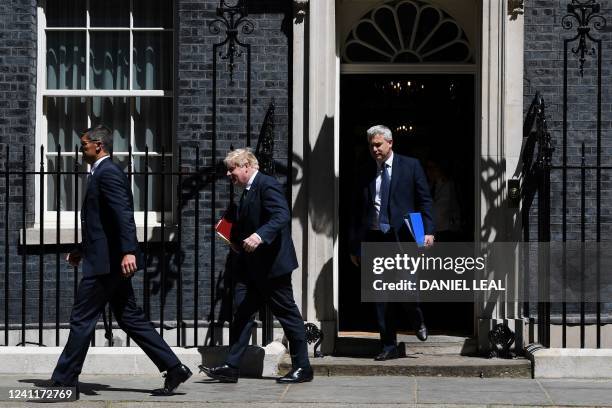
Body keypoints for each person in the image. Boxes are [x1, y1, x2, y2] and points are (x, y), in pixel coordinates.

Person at [49, 125, 192, 397]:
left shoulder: (108, 173)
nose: (82, 149)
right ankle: (173, 367)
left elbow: (124, 215)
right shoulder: (100, 173)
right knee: (130, 318)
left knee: (82, 319)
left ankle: (64, 381)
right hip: (107, 259)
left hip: (108, 264)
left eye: (84, 144)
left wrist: (129, 251)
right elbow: (102, 223)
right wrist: (82, 249)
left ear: (98, 145)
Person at [200, 148, 312, 384]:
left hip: (272, 267)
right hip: (252, 268)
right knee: (241, 315)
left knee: (288, 316)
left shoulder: (266, 184)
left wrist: (259, 236)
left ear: (247, 166)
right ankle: (232, 366)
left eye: (232, 169)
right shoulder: (248, 190)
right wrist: (232, 236)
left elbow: (281, 215)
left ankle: (303, 367)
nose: (229, 175)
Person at [350, 125, 435, 361]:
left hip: (404, 238)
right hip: (375, 237)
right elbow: (357, 210)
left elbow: (424, 201)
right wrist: (354, 245)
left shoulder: (411, 165)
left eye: (378, 144)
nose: (374, 149)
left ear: (390, 143)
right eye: (371, 145)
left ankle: (417, 319)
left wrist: (427, 231)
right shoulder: (364, 169)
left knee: (407, 288)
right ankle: (388, 345)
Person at [425, 158, 462, 242]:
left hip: (445, 231)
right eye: (428, 168)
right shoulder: (427, 186)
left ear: (439, 168)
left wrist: (456, 225)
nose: (430, 171)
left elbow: (456, 206)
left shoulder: (449, 185)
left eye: (433, 168)